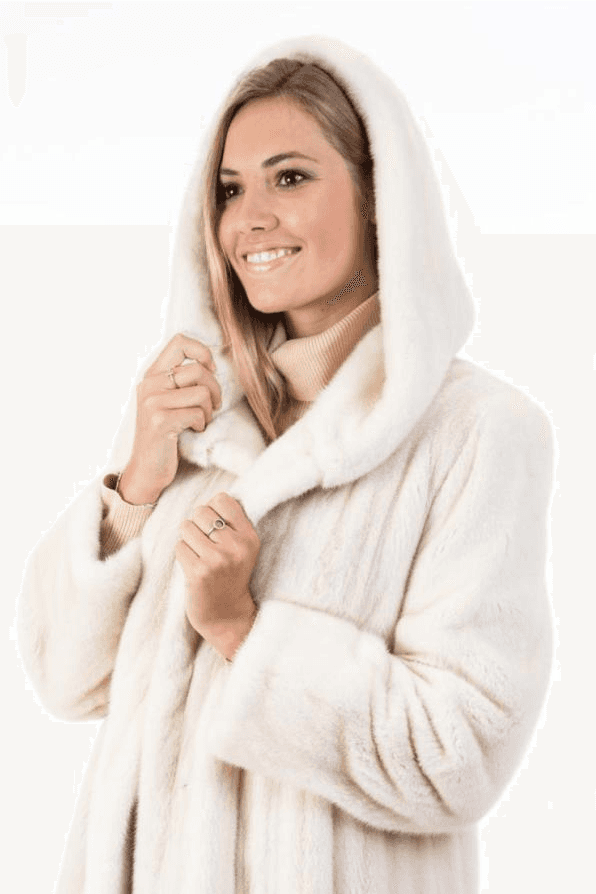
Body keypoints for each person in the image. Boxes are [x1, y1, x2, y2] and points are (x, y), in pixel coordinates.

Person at [17, 34, 554, 894]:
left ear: (380, 197)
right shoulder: (197, 423)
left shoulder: (475, 432)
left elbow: (459, 756)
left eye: (290, 177)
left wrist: (243, 628)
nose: (249, 219)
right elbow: (61, 681)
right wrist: (136, 486)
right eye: (230, 190)